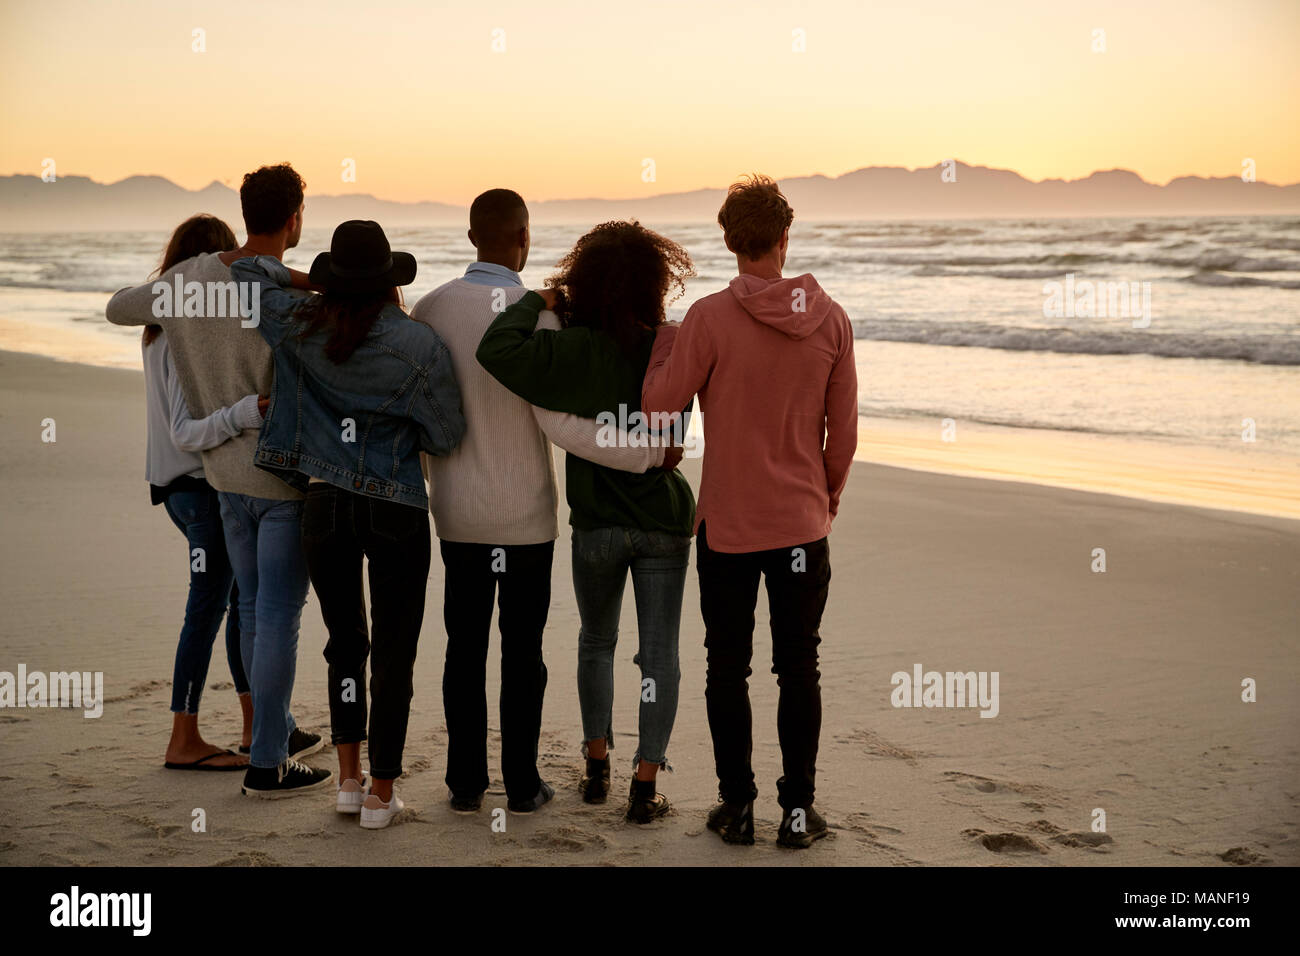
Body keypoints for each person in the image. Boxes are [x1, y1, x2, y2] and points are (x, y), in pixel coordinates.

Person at [411, 191, 675, 817]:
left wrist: (434, 481)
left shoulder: (430, 308)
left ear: (472, 235)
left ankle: (467, 783)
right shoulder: (547, 321)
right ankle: (523, 785)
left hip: (457, 510)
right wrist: (646, 452)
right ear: (524, 238)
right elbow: (559, 422)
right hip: (527, 515)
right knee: (522, 654)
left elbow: (419, 411)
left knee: (463, 649)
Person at [640, 174, 858, 848]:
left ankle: (737, 807)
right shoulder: (831, 318)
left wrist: (663, 345)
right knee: (799, 667)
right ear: (785, 239)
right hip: (799, 524)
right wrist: (826, 497)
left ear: (731, 241)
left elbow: (658, 408)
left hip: (729, 526)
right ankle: (797, 812)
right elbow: (842, 434)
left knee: (725, 667)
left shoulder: (707, 319)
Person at [232, 219, 465, 829]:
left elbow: (246, 271)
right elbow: (447, 433)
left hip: (323, 502)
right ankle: (382, 795)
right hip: (395, 507)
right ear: (390, 280)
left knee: (345, 645)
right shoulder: (419, 345)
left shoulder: (298, 323)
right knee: (394, 651)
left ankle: (349, 779)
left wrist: (316, 283)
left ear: (334, 276)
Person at [108, 164, 327, 798]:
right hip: (281, 477)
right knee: (275, 616)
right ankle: (268, 760)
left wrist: (194, 280)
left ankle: (270, 742)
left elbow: (120, 306)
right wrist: (297, 276)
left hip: (224, 479)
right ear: (294, 220)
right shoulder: (289, 297)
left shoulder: (186, 280)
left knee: (254, 610)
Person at [477, 219, 696, 823]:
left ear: (584, 280)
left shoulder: (568, 351)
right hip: (664, 520)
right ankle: (644, 786)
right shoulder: (668, 345)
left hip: (596, 521)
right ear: (655, 281)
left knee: (596, 642)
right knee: (660, 657)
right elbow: (675, 437)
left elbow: (497, 349)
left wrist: (535, 301)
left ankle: (597, 765)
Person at [141, 215, 257, 772]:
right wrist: (245, 412)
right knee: (209, 607)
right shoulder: (179, 334)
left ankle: (257, 725)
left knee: (229, 603)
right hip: (197, 485)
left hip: (178, 486)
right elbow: (187, 430)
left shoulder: (160, 323)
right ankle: (183, 739)